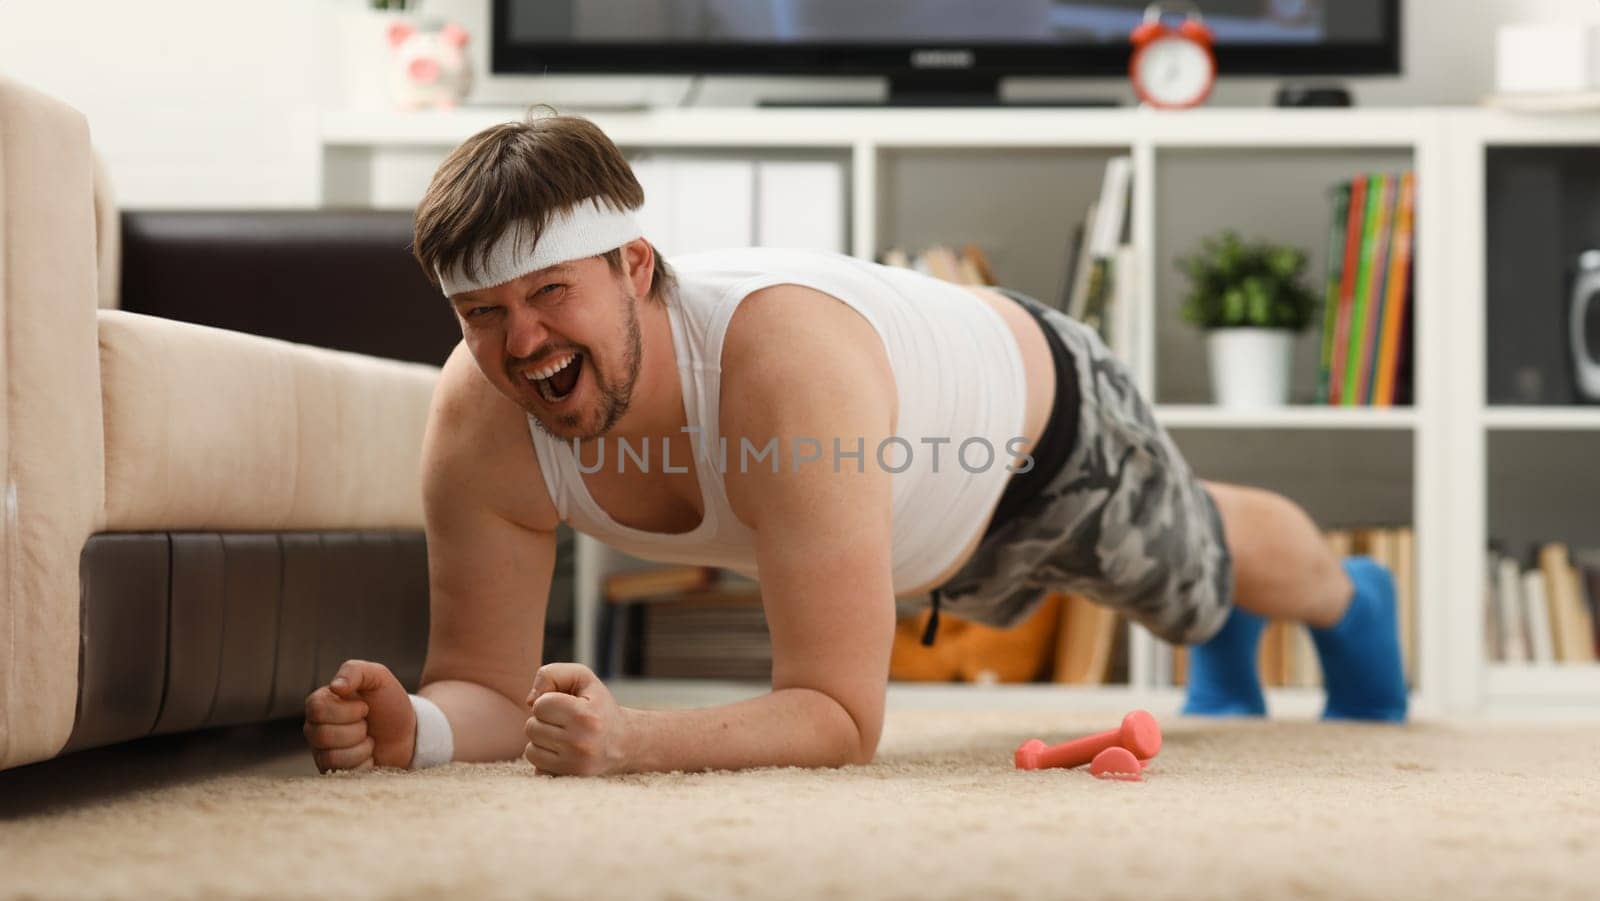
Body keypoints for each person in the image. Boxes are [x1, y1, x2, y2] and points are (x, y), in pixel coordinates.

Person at [301, 112, 1408, 777]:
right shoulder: (478, 421)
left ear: (636, 269)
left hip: (1037, 446)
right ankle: (1217, 630)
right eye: (483, 314)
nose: (522, 342)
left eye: (550, 294)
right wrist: (424, 730)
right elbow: (484, 687)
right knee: (1187, 586)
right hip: (911, 533)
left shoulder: (780, 365)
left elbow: (838, 715)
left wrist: (634, 740)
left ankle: (1353, 599)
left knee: (1191, 565)